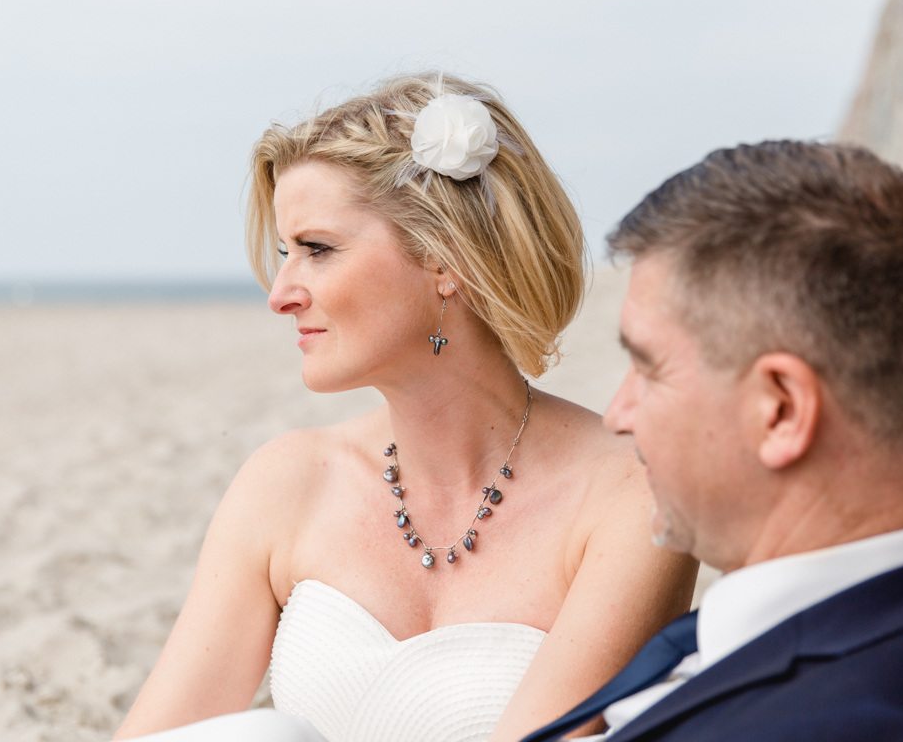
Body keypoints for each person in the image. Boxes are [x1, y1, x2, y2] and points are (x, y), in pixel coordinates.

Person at [114, 73, 698, 742]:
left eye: (317, 250)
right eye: (285, 253)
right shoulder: (285, 483)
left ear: (445, 258)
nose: (280, 294)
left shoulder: (627, 492)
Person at [521, 141, 903, 741]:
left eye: (650, 370)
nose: (618, 414)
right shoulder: (889, 625)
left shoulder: (859, 723)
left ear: (781, 411)